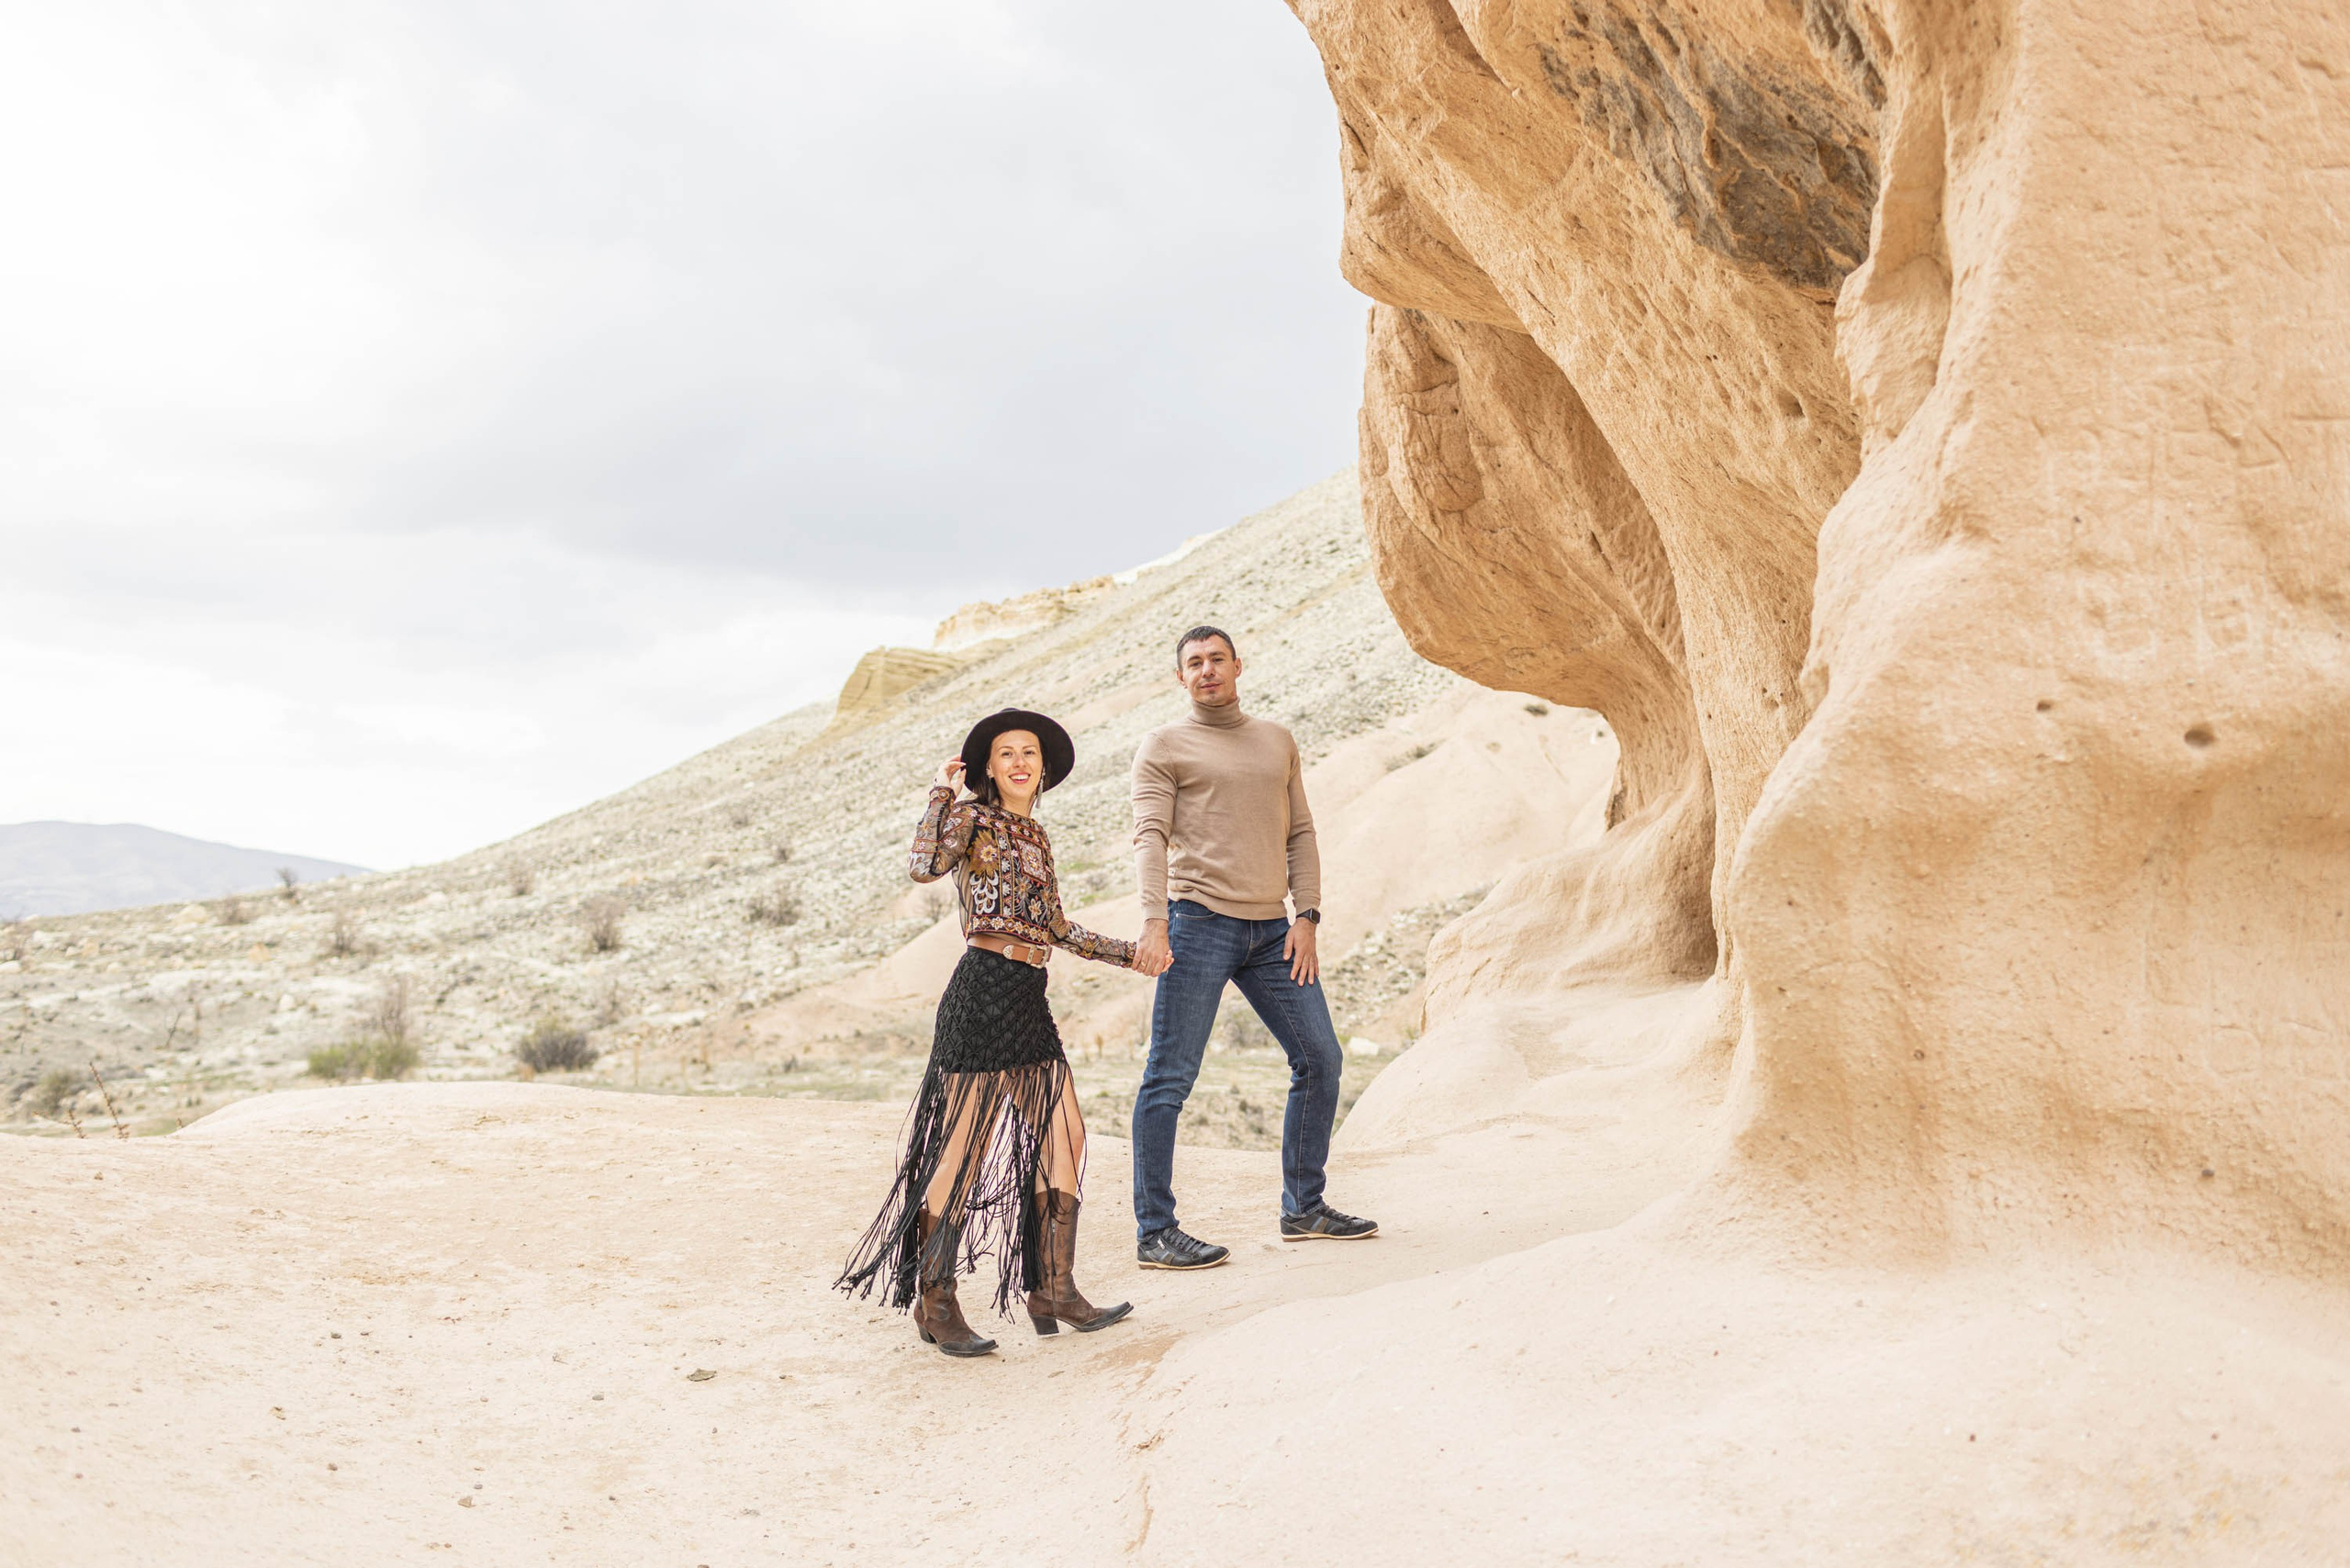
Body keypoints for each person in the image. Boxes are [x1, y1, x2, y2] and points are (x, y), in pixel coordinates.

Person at [836, 709, 1158, 1357]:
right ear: (988, 766)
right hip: (982, 989)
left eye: (1030, 753)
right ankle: (936, 1299)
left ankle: (1054, 1289)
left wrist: (1134, 954)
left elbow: (1058, 928)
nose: (1018, 761)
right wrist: (941, 794)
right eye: (1006, 752)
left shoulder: (1036, 836)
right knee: (964, 1148)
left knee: (1064, 1132)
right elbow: (923, 866)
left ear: (1042, 768)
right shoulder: (970, 817)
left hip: (1028, 995)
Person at [1127, 626, 1378, 1270]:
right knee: (1169, 1077)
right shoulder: (1164, 745)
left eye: (1216, 659)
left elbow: (1301, 830)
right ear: (1179, 678)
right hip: (1197, 922)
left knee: (1320, 1058)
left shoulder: (1277, 741)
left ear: (1238, 665)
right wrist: (1155, 921)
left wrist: (1308, 915)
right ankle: (1155, 1231)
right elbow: (1150, 836)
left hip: (1273, 931)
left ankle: (1305, 1208)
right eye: (1193, 663)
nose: (1207, 670)